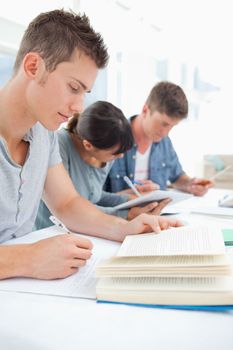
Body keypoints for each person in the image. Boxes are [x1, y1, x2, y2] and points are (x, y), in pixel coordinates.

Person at [0, 10, 181, 281]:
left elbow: (67, 203)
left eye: (84, 93)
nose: (78, 108)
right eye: (73, 87)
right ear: (33, 67)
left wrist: (124, 228)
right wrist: (28, 258)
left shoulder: (43, 134)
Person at [35, 101, 169, 230]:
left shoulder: (105, 156)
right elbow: (73, 206)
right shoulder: (58, 145)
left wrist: (131, 199)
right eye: (114, 154)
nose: (120, 157)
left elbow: (95, 196)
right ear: (88, 145)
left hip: (81, 230)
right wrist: (126, 214)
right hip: (49, 230)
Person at [105, 81, 214, 197]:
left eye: (173, 126)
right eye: (164, 124)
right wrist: (129, 196)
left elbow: (177, 176)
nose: (166, 132)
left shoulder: (164, 142)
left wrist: (190, 184)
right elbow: (95, 197)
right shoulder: (112, 138)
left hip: (158, 213)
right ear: (145, 110)